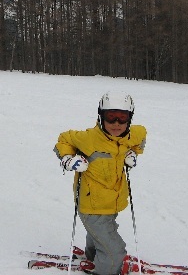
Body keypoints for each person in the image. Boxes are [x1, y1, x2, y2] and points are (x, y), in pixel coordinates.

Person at [54, 92, 147, 275]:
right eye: (111, 117)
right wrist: (68, 159)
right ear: (101, 116)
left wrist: (133, 153)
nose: (116, 124)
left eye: (122, 118)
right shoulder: (89, 139)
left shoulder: (132, 135)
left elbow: (142, 135)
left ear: (129, 118)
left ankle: (94, 257)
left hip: (112, 202)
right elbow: (63, 140)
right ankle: (107, 267)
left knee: (99, 234)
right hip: (91, 205)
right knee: (115, 252)